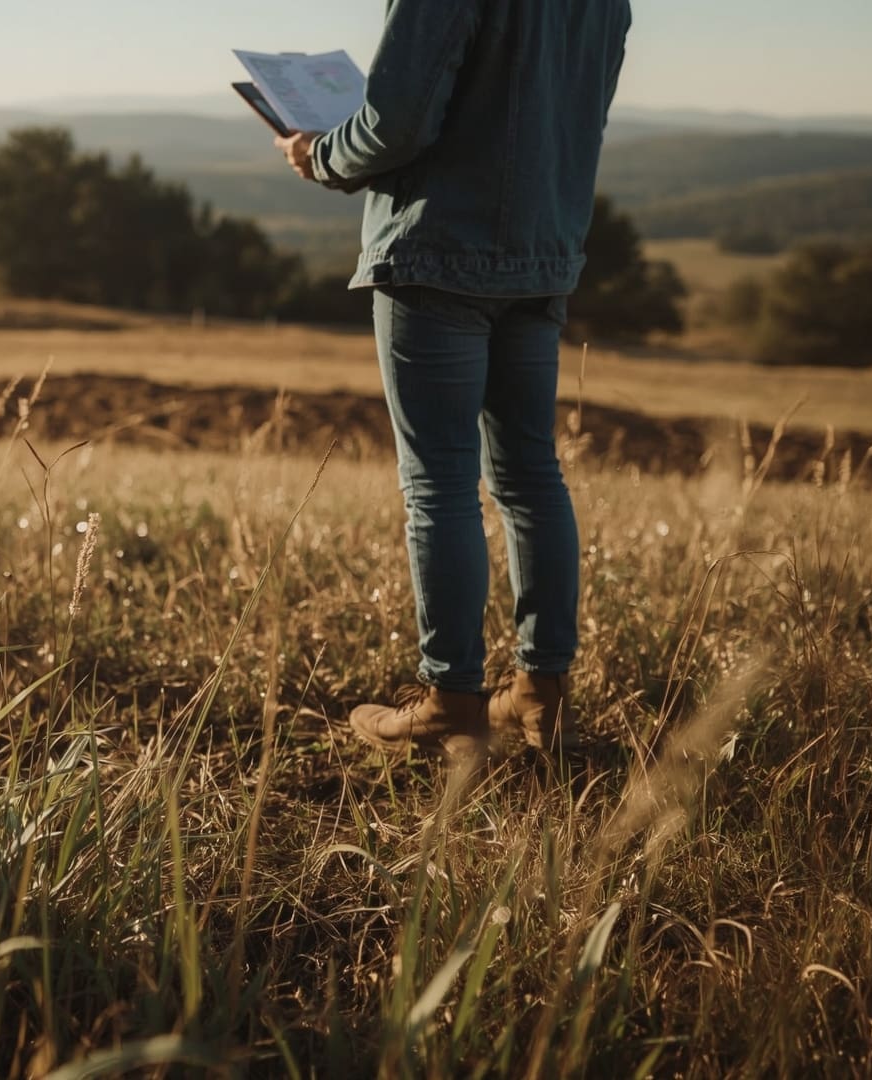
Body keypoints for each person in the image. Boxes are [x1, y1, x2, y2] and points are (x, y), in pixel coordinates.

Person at [274, 0, 631, 760]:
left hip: (437, 249)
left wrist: (323, 155)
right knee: (532, 475)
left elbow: (396, 123)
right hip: (543, 252)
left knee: (438, 484)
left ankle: (453, 705)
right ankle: (541, 698)